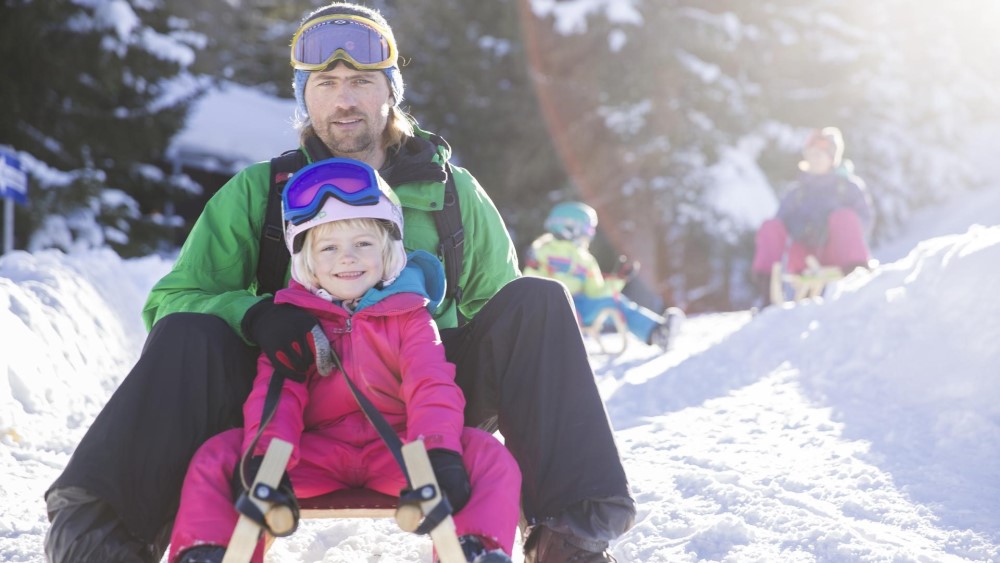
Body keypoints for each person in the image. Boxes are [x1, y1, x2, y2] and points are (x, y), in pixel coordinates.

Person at [44, 4, 635, 563]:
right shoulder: (261, 191)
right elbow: (172, 301)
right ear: (304, 97)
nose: (343, 100)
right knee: (187, 332)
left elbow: (501, 318)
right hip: (290, 394)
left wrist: (419, 351)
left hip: (424, 391)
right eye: (324, 85)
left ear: (390, 92)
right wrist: (253, 314)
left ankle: (571, 539)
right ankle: (102, 537)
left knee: (538, 300)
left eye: (361, 82)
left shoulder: (452, 194)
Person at [169, 158, 520, 563]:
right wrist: (267, 459)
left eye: (363, 244)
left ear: (389, 251)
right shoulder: (294, 321)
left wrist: (438, 452)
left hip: (399, 451)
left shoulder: (409, 315)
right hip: (311, 453)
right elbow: (278, 395)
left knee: (486, 454)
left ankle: (475, 547)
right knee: (220, 454)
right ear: (308, 262)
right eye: (329, 248)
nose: (347, 259)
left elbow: (430, 383)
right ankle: (209, 550)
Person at [524, 201, 684, 350]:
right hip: (549, 307)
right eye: (587, 229)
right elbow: (529, 284)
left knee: (615, 302)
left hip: (580, 307)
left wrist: (619, 279)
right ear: (569, 227)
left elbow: (596, 291)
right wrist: (533, 266)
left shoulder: (585, 259)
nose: (590, 235)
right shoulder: (543, 251)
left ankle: (657, 333)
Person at [750, 127, 874, 303]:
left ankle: (857, 278)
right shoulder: (797, 193)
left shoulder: (847, 188)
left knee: (844, 216)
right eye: (810, 154)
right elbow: (779, 225)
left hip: (837, 252)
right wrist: (799, 227)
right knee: (770, 226)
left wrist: (834, 224)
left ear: (831, 158)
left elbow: (864, 221)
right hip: (804, 256)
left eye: (819, 155)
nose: (813, 159)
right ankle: (766, 289)